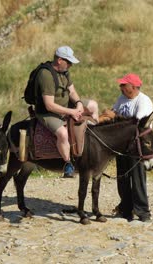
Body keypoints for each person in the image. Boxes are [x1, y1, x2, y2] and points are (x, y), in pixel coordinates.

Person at [34, 46, 99, 178]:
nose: (70, 65)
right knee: (62, 134)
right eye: (68, 62)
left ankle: (94, 144)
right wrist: (72, 112)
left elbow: (72, 91)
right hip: (48, 113)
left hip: (65, 105)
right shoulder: (46, 75)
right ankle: (68, 163)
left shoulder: (64, 72)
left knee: (93, 105)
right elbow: (49, 105)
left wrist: (79, 103)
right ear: (59, 60)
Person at [112, 73, 153, 222]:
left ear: (134, 87)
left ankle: (143, 212)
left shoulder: (144, 101)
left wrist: (117, 119)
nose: (121, 87)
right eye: (121, 85)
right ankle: (126, 209)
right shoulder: (122, 98)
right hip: (122, 144)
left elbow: (137, 123)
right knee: (122, 178)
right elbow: (113, 112)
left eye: (124, 85)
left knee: (137, 179)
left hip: (138, 146)